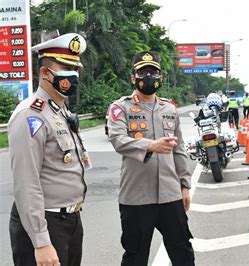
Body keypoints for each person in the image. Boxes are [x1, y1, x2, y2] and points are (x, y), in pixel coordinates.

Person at [107, 51, 195, 266]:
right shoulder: (120, 108)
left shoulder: (169, 109)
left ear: (161, 77)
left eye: (153, 72)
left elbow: (179, 150)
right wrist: (150, 146)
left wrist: (184, 185)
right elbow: (118, 139)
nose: (149, 77)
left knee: (182, 249)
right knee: (135, 254)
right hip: (137, 197)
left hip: (170, 195)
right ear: (133, 77)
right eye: (143, 72)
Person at [8, 33, 88, 266]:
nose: (73, 75)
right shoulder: (30, 115)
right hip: (46, 223)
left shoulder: (60, 112)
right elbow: (26, 183)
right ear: (45, 73)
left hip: (70, 220)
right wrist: (41, 241)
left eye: (75, 68)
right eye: (65, 67)